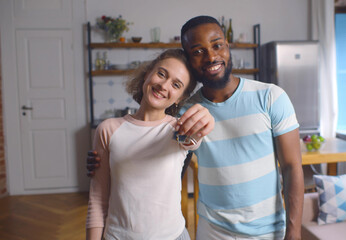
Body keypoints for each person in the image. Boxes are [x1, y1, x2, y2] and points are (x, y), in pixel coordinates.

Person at [88, 16, 304, 240]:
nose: (211, 56)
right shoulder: (182, 112)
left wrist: (294, 232)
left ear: (227, 46)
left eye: (217, 45)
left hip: (269, 231)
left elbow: (292, 167)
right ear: (190, 61)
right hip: (212, 232)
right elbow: (160, 152)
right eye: (198, 51)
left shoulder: (271, 97)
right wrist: (104, 160)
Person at [85, 49, 214, 240]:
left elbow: (194, 140)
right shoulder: (108, 129)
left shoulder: (177, 131)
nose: (163, 85)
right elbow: (97, 200)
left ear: (180, 97)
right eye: (161, 74)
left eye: (176, 85)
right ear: (147, 74)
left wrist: (206, 120)